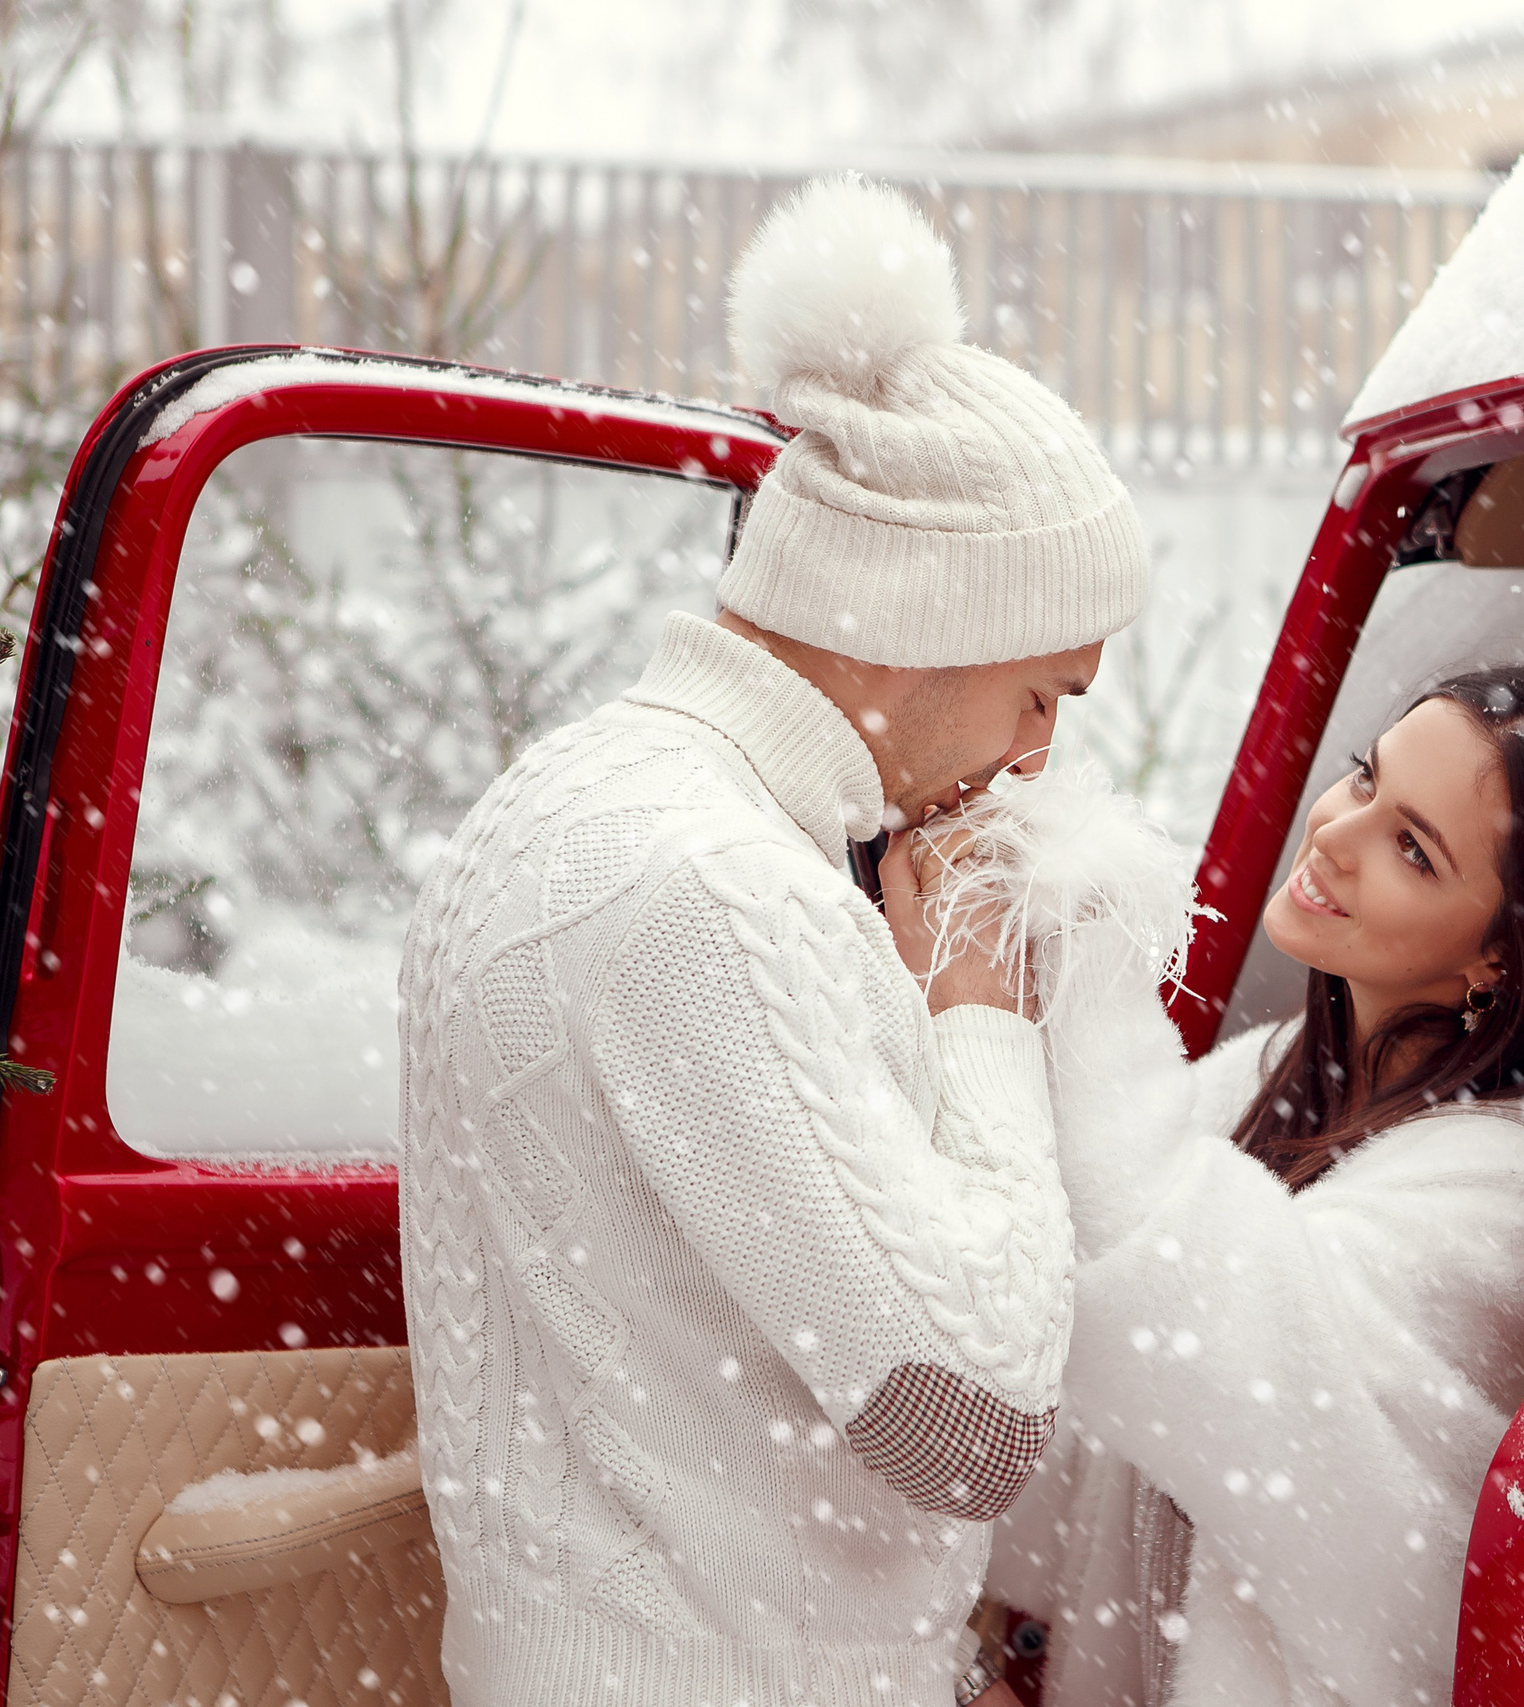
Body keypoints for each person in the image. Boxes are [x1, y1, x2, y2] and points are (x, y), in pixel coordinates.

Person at [396, 176, 1145, 1707]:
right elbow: (969, 1426)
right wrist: (982, 1018)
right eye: (1042, 691)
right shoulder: (721, 892)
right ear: (919, 614)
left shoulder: (574, 793)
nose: (1035, 758)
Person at [983, 665, 1524, 1707]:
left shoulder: (1522, 1188)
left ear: (1501, 959)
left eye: (1411, 848)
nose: (1337, 832)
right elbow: (1065, 1337)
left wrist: (1085, 960)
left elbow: (1185, 1325)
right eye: (1362, 779)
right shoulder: (1286, 1071)